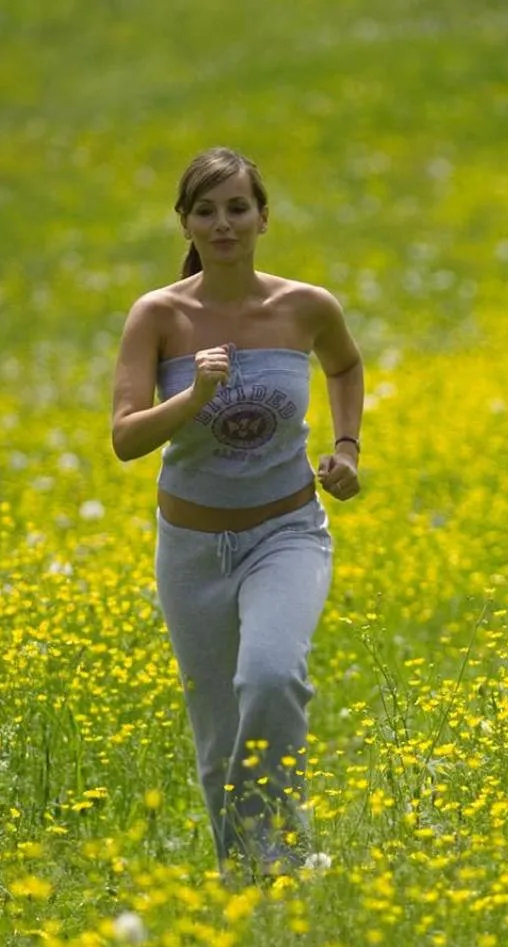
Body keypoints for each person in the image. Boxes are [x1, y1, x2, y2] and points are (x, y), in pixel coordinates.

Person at [110, 146, 366, 875]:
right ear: (185, 224)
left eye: (237, 208)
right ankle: (247, 878)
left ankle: (283, 856)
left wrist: (345, 448)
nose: (223, 224)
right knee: (219, 736)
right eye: (206, 211)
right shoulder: (157, 316)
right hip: (191, 549)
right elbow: (125, 439)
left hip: (285, 531)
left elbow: (344, 364)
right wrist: (191, 398)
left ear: (262, 217)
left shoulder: (305, 307)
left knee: (272, 677)